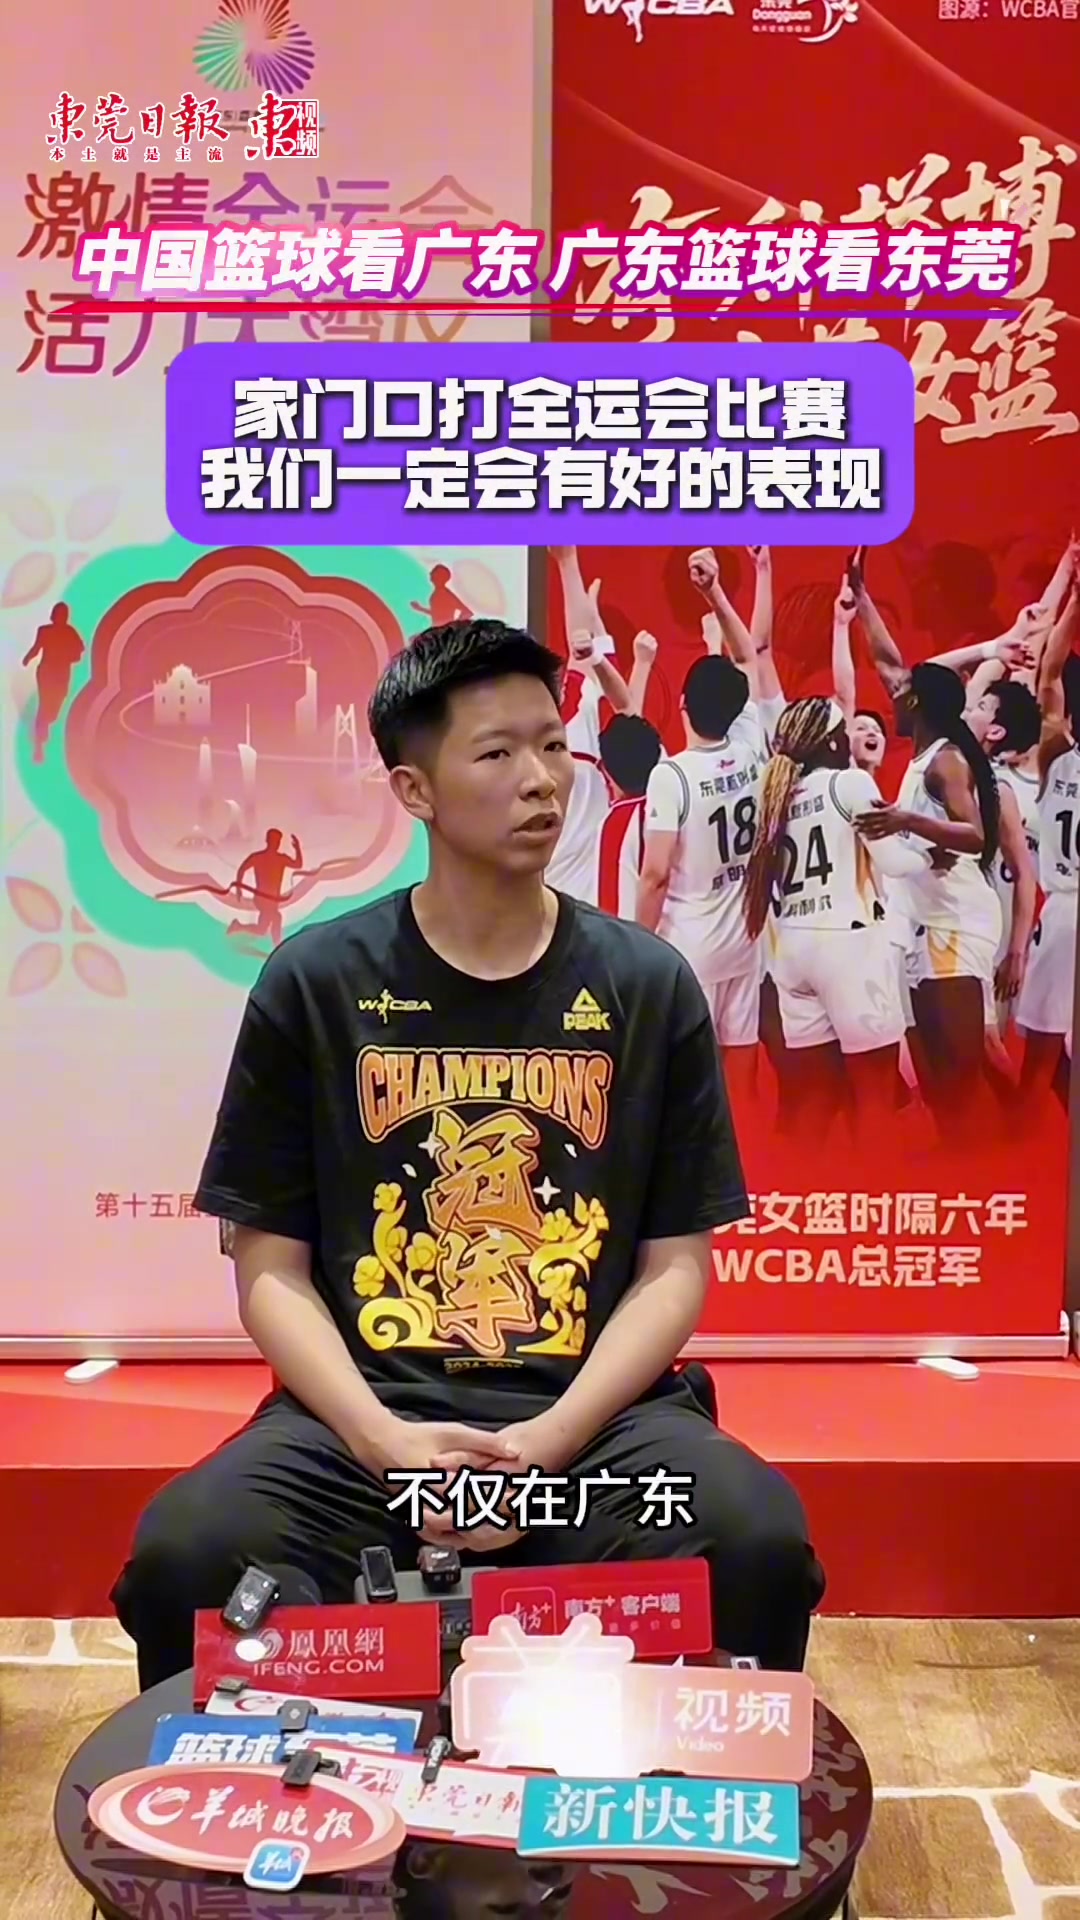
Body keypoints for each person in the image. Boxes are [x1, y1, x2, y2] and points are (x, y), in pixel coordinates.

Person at [111, 618, 824, 1689]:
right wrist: (381, 1439)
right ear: (415, 790)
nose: (542, 780)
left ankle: (686, 1797)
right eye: (497, 753)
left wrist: (546, 1445)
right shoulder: (316, 983)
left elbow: (675, 1270)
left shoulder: (647, 986)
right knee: (190, 1554)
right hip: (362, 1433)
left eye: (552, 745)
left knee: (753, 1539)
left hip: (595, 1432)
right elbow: (270, 1272)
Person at [742, 698, 930, 1133]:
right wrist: (930, 855)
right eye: (843, 731)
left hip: (791, 950)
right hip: (849, 945)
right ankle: (874, 1177)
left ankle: (801, 1175)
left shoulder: (775, 794)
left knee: (812, 1099)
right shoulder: (850, 783)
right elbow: (894, 863)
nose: (848, 738)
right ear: (830, 742)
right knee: (875, 1095)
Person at [853, 628, 1002, 1130]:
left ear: (915, 702)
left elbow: (976, 835)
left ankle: (1003, 1154)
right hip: (925, 921)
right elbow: (886, 660)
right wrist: (860, 600)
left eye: (900, 691)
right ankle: (961, 1157)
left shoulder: (945, 760)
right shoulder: (923, 756)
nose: (891, 695)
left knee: (961, 1070)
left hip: (954, 921)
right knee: (935, 1075)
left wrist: (906, 821)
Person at [636, 648, 767, 1113]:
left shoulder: (671, 775)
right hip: (745, 938)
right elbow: (747, 661)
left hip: (691, 945)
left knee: (684, 1080)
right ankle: (747, 1146)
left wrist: (638, 945)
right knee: (742, 1055)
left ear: (683, 703)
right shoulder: (752, 753)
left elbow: (655, 874)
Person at [1017, 575, 1080, 1106]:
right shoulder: (1059, 753)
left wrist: (1075, 603)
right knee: (1042, 1061)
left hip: (1063, 913)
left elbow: (1051, 674)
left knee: (1039, 1059)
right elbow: (1052, 674)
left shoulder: (1057, 752)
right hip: (1061, 912)